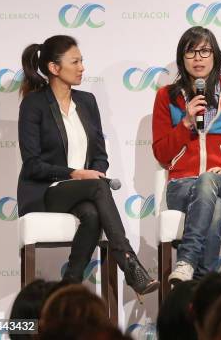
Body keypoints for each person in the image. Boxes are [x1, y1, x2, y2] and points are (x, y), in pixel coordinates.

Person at [17, 35, 158, 298]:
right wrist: (75, 174)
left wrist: (96, 172)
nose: (82, 67)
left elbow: (100, 156)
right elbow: (33, 165)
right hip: (45, 190)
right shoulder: (33, 104)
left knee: (92, 215)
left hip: (83, 189)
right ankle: (129, 262)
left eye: (82, 61)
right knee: (95, 189)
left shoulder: (87, 101)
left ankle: (68, 287)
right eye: (75, 61)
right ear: (54, 68)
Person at [152, 26, 221, 285]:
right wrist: (185, 122)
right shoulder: (166, 97)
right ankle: (201, 286)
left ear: (215, 55)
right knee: (215, 207)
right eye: (191, 52)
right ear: (181, 58)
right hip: (181, 185)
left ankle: (185, 261)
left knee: (209, 181)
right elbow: (162, 154)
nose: (198, 58)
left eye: (204, 51)